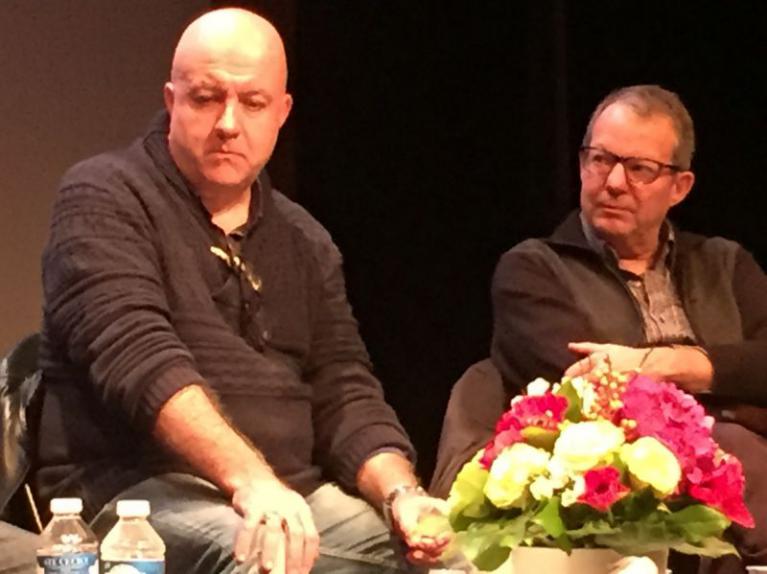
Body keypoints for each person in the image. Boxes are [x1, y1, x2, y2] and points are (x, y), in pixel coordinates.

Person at [35, 8, 449, 574]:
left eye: (253, 103)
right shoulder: (102, 197)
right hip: (134, 496)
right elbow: (140, 362)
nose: (229, 123)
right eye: (206, 98)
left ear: (282, 112)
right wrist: (252, 482)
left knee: (450, 559)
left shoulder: (304, 238)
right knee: (263, 554)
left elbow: (343, 389)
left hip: (290, 497)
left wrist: (402, 495)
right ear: (172, 100)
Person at [491, 85, 767, 574]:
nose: (614, 182)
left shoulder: (725, 264)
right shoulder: (533, 270)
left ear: (680, 187)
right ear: (582, 164)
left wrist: (669, 364)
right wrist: (730, 400)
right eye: (601, 160)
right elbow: (588, 385)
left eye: (639, 169)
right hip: (619, 508)